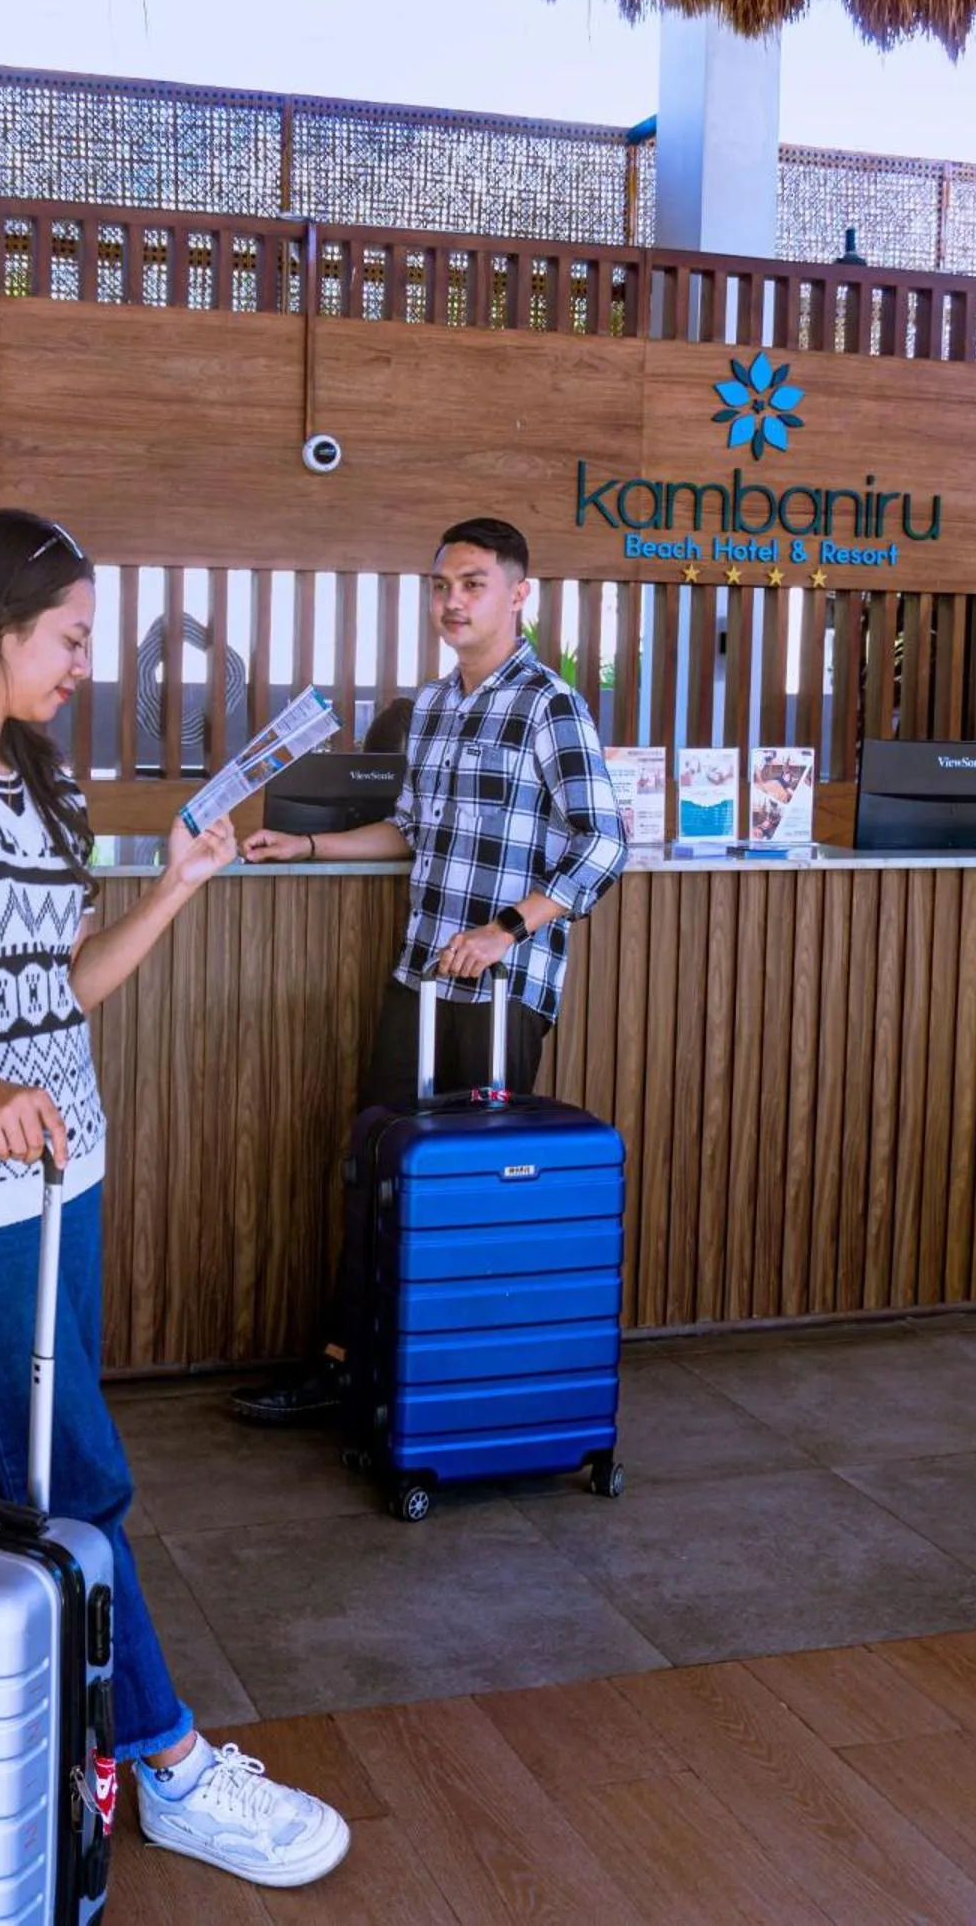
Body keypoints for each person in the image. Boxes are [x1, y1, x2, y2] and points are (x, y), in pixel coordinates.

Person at [0, 508, 349, 1890]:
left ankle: (42, 1733)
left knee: (21, 1477)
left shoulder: (43, 780)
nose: (83, 666)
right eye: (71, 638)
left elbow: (64, 989)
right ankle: (167, 1760)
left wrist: (172, 889)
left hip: (68, 1172)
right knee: (73, 1475)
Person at [232, 515, 628, 1424]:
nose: (452, 601)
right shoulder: (434, 707)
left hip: (496, 997)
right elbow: (408, 829)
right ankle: (347, 1369)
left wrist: (505, 929)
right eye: (443, 585)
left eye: (474, 584)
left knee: (469, 1189)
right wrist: (307, 845)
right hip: (418, 973)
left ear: (519, 595)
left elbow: (604, 846)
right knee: (376, 1164)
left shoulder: (550, 706)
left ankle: (454, 1389)